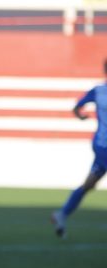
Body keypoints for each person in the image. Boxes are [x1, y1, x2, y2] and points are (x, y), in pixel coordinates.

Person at [51, 59, 107, 238]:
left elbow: (77, 108)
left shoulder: (97, 91)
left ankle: (62, 213)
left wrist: (81, 116)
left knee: (89, 183)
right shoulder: (98, 91)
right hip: (104, 146)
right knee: (89, 183)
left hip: (100, 145)